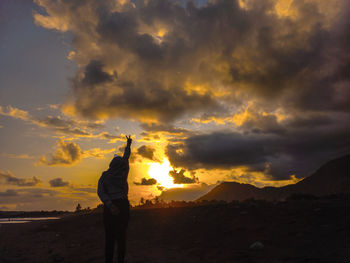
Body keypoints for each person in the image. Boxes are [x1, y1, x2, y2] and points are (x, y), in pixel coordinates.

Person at [98, 135, 132, 263]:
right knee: (122, 236)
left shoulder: (105, 175)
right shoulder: (124, 173)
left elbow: (100, 192)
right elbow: (126, 157)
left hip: (110, 207)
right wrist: (128, 145)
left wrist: (109, 204)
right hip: (123, 205)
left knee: (110, 238)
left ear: (111, 164)